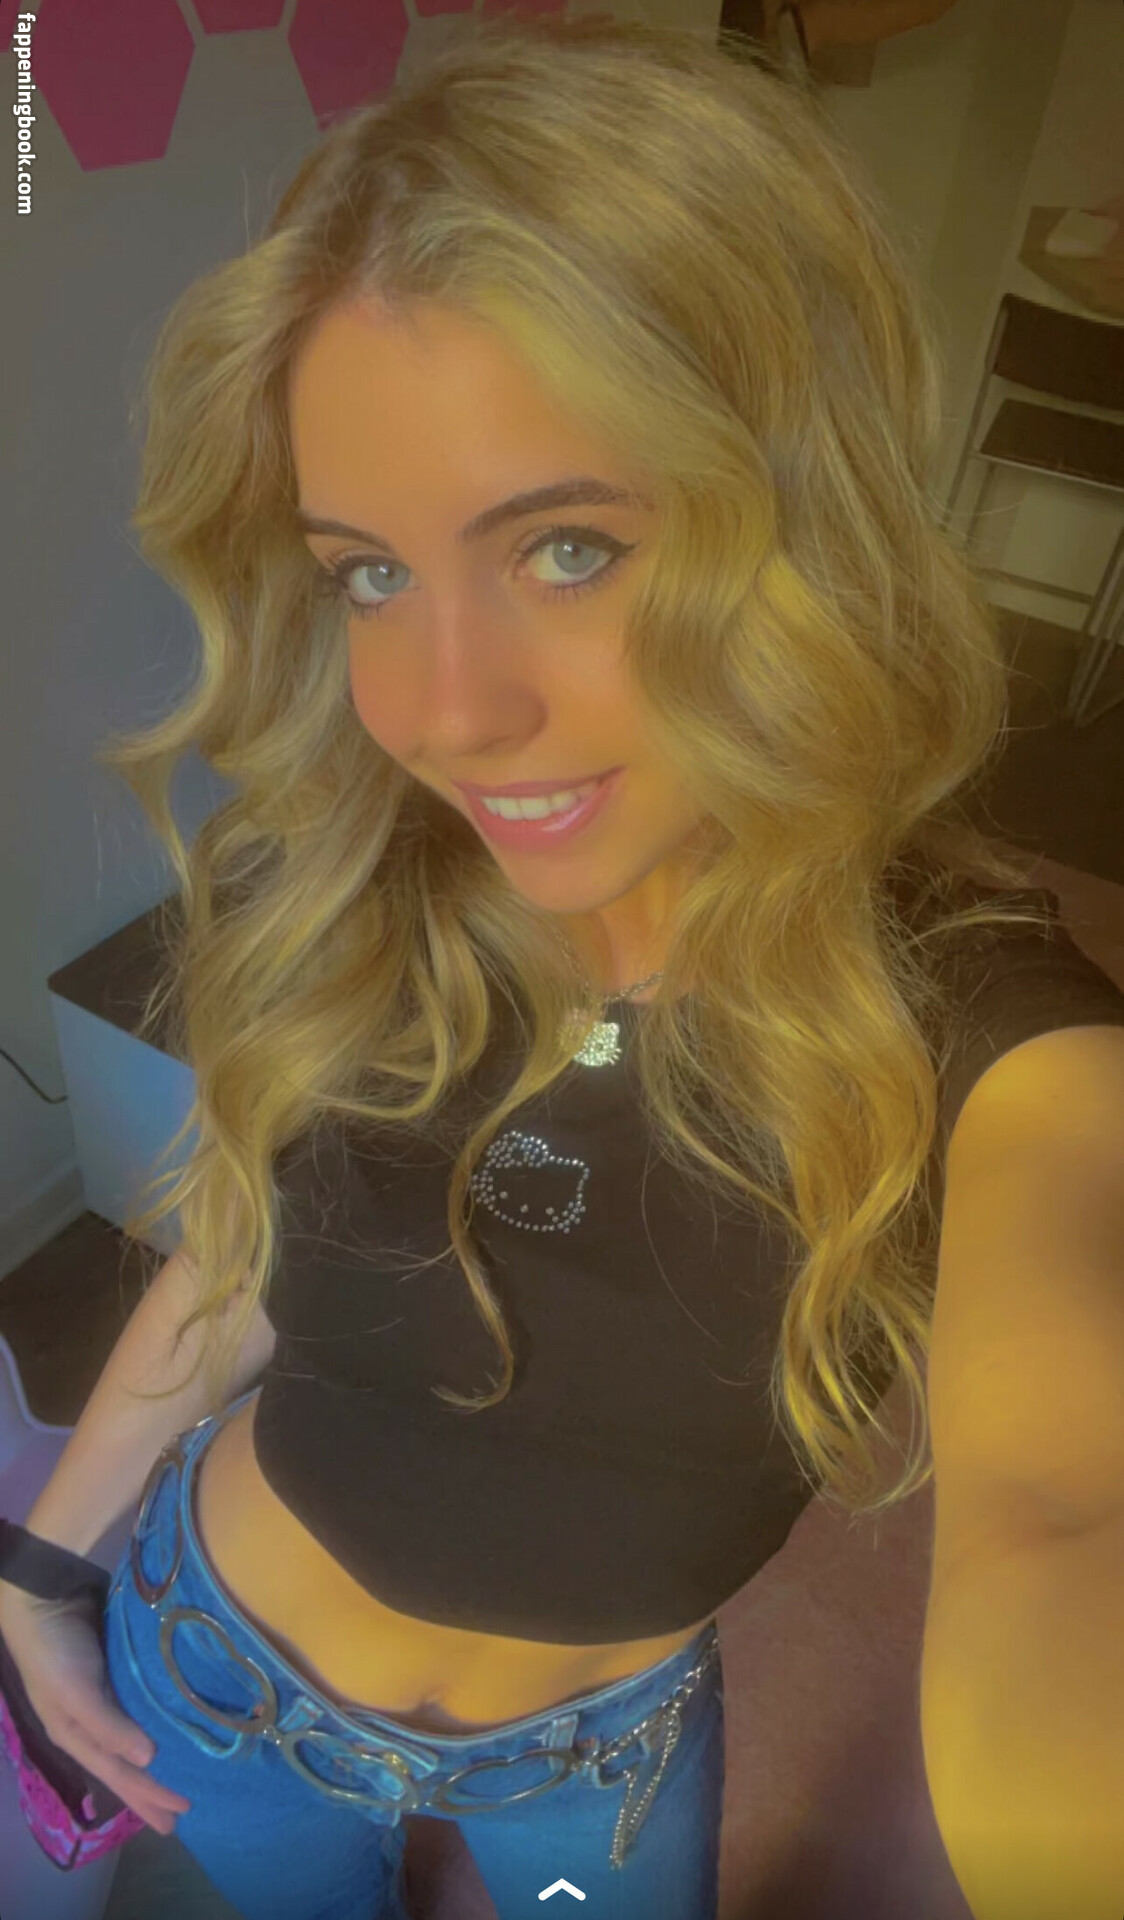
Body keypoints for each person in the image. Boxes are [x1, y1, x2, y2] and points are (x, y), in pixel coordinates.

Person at [3, 17, 1124, 1920]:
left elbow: (1066, 1514)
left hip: (592, 1773)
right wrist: (45, 1568)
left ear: (807, 524)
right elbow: (245, 1246)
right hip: (216, 1671)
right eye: (368, 572)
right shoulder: (368, 886)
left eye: (570, 547)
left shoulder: (978, 1022)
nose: (446, 712)